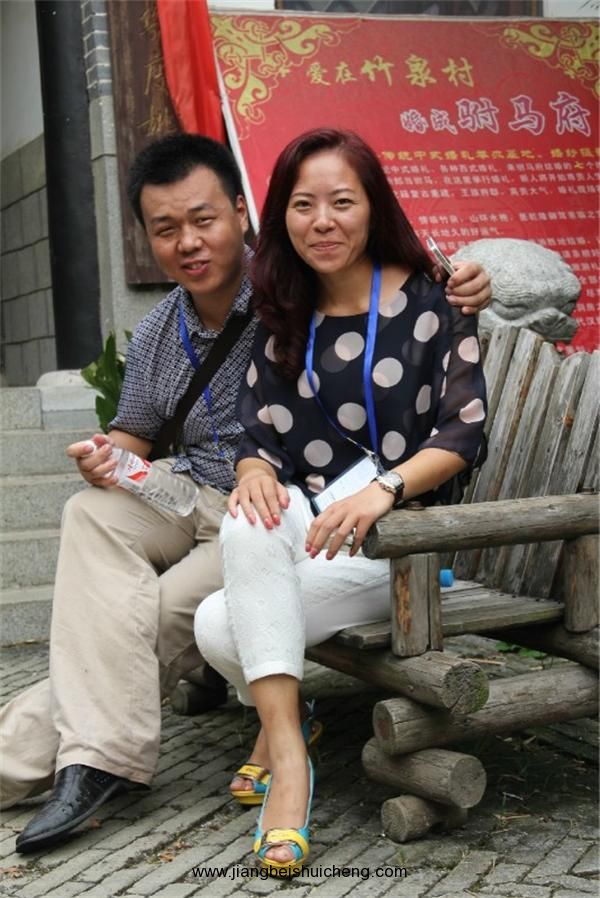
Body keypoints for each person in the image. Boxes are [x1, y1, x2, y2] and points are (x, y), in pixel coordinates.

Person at [0, 133, 490, 855]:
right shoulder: (187, 323)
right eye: (166, 229)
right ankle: (111, 757)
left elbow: (451, 401)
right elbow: (158, 435)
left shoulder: (308, 290)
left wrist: (469, 282)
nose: (188, 242)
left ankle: (48, 761)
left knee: (175, 617)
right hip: (213, 501)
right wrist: (113, 459)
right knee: (94, 513)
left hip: (326, 520)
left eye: (203, 219)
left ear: (240, 212)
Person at [194, 128, 488, 876]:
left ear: (373, 207)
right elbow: (257, 432)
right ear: (281, 216)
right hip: (316, 522)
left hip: (405, 544)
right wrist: (253, 470)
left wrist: (386, 489)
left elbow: (463, 431)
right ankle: (292, 754)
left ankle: (279, 730)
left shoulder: (434, 300)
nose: (322, 221)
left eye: (342, 202)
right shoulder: (281, 312)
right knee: (247, 520)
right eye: (303, 205)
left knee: (219, 624)